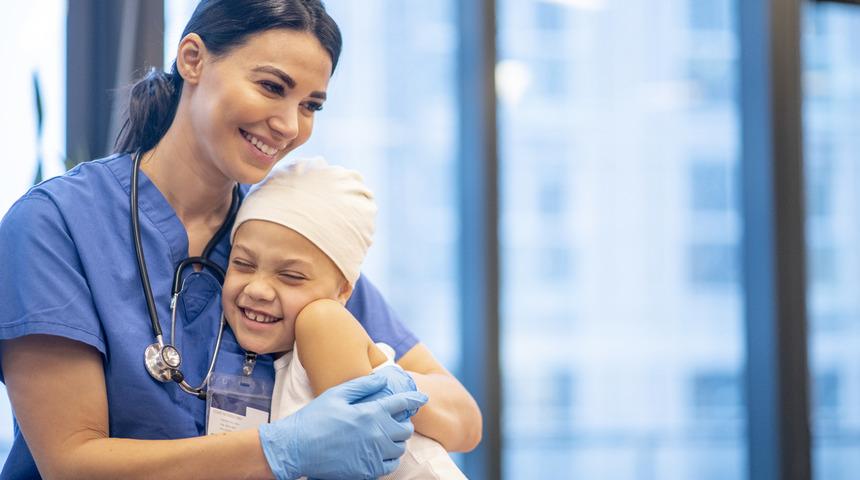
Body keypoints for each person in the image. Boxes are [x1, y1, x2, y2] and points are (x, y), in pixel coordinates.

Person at [0, 1, 481, 478]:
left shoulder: (282, 226)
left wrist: (383, 382)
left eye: (310, 105)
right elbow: (71, 464)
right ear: (193, 59)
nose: (290, 126)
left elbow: (462, 416)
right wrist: (280, 449)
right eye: (271, 86)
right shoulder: (56, 226)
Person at [223, 157, 470, 480]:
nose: (258, 289)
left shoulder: (323, 322)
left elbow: (356, 457)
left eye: (291, 276)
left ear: (343, 292)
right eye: (242, 263)